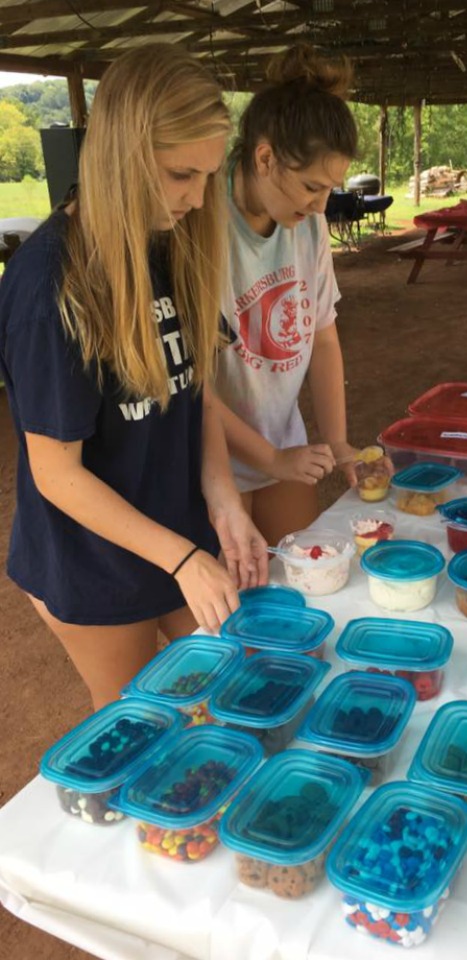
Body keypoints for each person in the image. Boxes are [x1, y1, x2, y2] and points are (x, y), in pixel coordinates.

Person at [0, 44, 268, 712]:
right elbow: (56, 474)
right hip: (94, 560)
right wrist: (180, 558)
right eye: (182, 174)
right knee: (144, 725)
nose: (199, 198)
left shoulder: (170, 241)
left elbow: (192, 393)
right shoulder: (48, 287)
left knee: (225, 697)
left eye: (209, 174)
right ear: (123, 155)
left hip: (174, 531)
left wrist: (225, 499)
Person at [215, 44, 363, 545]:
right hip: (210, 454)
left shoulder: (307, 223)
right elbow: (191, 387)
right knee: (228, 606)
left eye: (330, 190)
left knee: (302, 578)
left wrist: (338, 444)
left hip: (281, 441)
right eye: (311, 187)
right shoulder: (200, 220)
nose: (321, 205)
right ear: (265, 158)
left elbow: (323, 339)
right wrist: (269, 458)